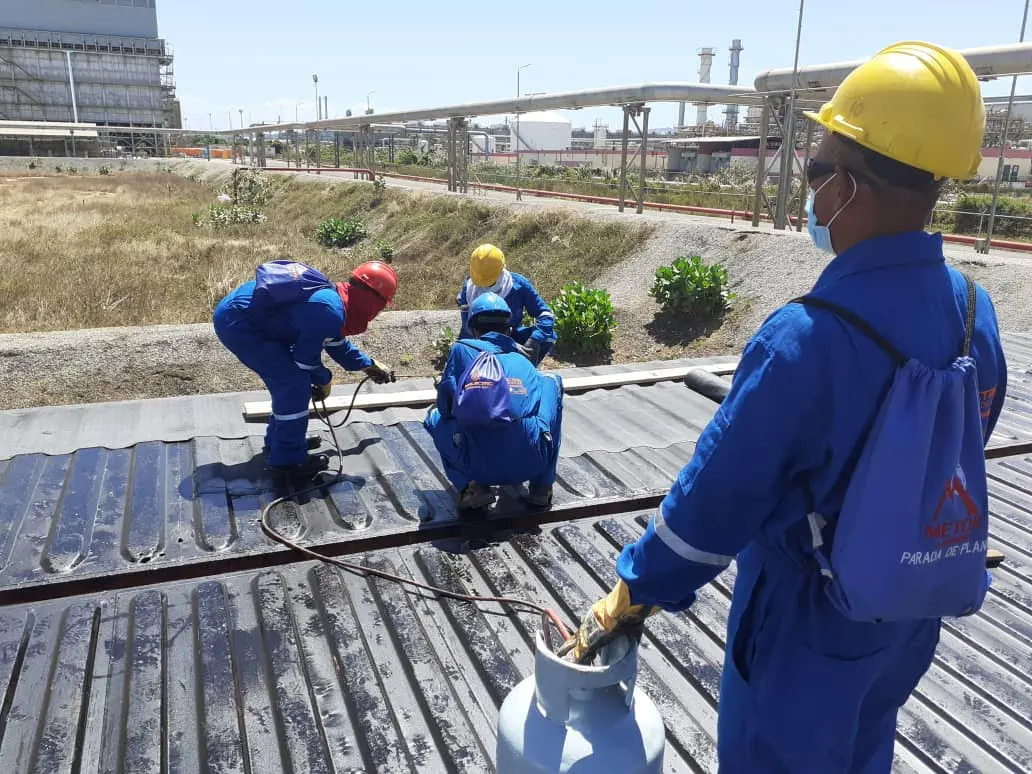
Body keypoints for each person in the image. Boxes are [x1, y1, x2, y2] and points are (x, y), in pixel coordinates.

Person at [560, 41, 1009, 773]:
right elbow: (967, 437)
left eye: (815, 169)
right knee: (866, 742)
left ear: (852, 188)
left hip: (806, 623)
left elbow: (715, 503)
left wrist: (634, 589)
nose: (812, 191)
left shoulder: (807, 341)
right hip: (910, 606)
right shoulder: (974, 313)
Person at [213, 259, 396, 479]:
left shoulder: (335, 301)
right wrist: (324, 379)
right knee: (293, 386)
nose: (378, 312)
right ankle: (289, 460)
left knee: (290, 384)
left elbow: (336, 344)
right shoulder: (329, 309)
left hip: (248, 318)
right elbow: (305, 360)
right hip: (240, 323)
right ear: (372, 300)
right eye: (382, 305)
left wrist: (369, 365)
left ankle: (282, 443)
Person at [425, 291, 563, 510]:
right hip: (532, 462)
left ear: (472, 328)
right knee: (552, 383)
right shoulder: (523, 360)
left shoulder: (462, 349)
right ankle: (541, 488)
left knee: (433, 417)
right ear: (509, 330)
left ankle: (472, 489)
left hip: (479, 467)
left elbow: (446, 407)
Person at [457, 243, 557, 366]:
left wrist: (534, 339)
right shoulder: (468, 289)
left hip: (511, 335)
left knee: (548, 336)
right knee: (460, 353)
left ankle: (525, 370)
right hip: (477, 340)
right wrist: (510, 345)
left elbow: (546, 315)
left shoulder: (518, 285)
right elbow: (469, 329)